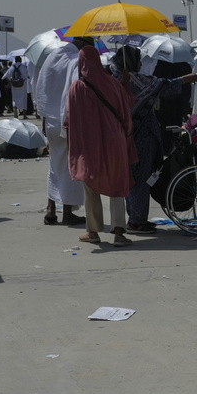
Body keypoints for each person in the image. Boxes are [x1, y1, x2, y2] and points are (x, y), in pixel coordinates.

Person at [111, 46, 197, 234]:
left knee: (133, 177)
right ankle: (136, 221)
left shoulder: (113, 81)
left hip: (122, 138)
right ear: (131, 63)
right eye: (138, 60)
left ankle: (135, 216)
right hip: (141, 138)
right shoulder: (134, 81)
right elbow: (164, 85)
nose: (141, 64)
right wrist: (188, 78)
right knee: (142, 178)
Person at [63, 44, 136, 247]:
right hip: (115, 141)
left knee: (90, 183)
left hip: (89, 144)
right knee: (117, 185)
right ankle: (119, 232)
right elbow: (127, 106)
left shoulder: (76, 87)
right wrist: (126, 84)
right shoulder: (113, 83)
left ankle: (93, 231)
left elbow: (69, 120)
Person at [35, 39, 86, 226]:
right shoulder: (75, 60)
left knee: (54, 163)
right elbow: (74, 90)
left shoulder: (52, 58)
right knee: (70, 165)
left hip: (49, 119)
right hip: (66, 120)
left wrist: (43, 116)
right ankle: (68, 213)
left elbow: (41, 88)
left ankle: (50, 209)